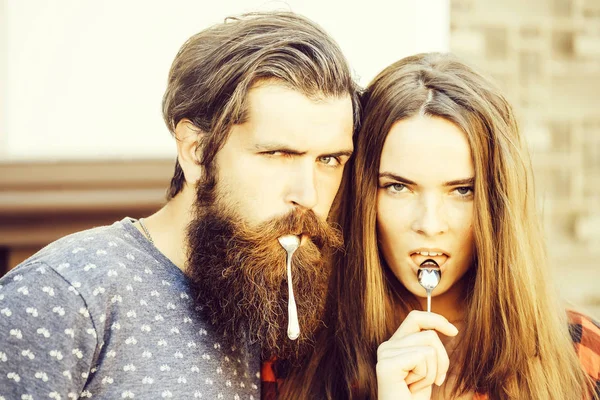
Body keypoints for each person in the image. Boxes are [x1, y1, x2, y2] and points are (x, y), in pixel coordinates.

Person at [0, 11, 359, 399]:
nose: (308, 195)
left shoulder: (261, 290)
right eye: (277, 154)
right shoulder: (67, 291)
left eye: (329, 160)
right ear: (197, 151)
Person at [281, 53, 599, 399]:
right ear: (361, 196)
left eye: (462, 191)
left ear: (496, 205)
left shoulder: (581, 353)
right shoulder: (295, 354)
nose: (429, 225)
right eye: (398, 187)